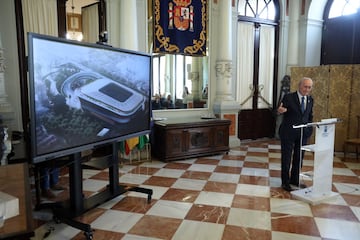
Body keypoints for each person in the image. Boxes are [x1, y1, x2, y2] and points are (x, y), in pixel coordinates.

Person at [277, 77, 314, 192]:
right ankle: (285, 182)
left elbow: (309, 115)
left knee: (299, 157)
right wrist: (280, 110)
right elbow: (279, 110)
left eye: (309, 87)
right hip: (288, 132)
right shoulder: (289, 97)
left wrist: (309, 128)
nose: (307, 89)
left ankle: (294, 179)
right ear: (299, 86)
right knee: (287, 157)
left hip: (303, 133)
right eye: (305, 87)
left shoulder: (310, 99)